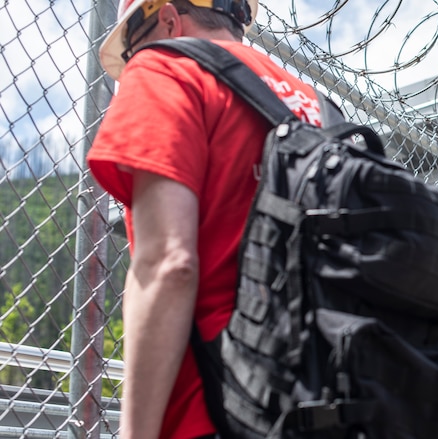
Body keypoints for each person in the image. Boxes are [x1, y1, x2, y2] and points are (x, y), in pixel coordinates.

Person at [87, 1, 323, 437]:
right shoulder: (313, 105)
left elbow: (167, 266)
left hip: (215, 410)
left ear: (168, 20)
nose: (129, 70)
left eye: (130, 51)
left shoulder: (167, 68)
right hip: (326, 404)